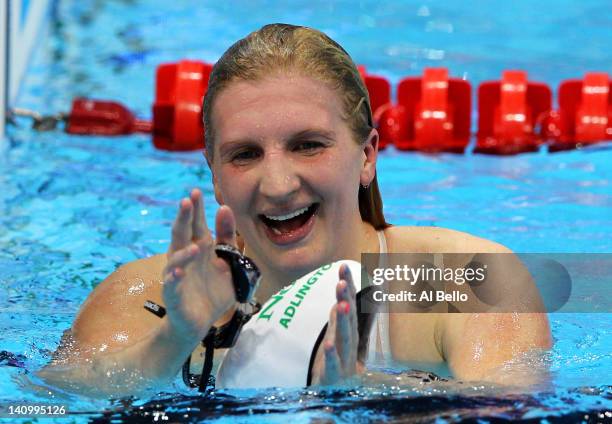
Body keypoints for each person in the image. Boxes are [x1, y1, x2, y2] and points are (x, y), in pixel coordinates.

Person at [38, 24, 551, 398]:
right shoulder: (151, 294)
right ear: (214, 173)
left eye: (308, 145)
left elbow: (513, 408)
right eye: (245, 154)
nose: (279, 185)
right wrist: (171, 341)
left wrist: (365, 395)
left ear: (367, 156)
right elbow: (47, 406)